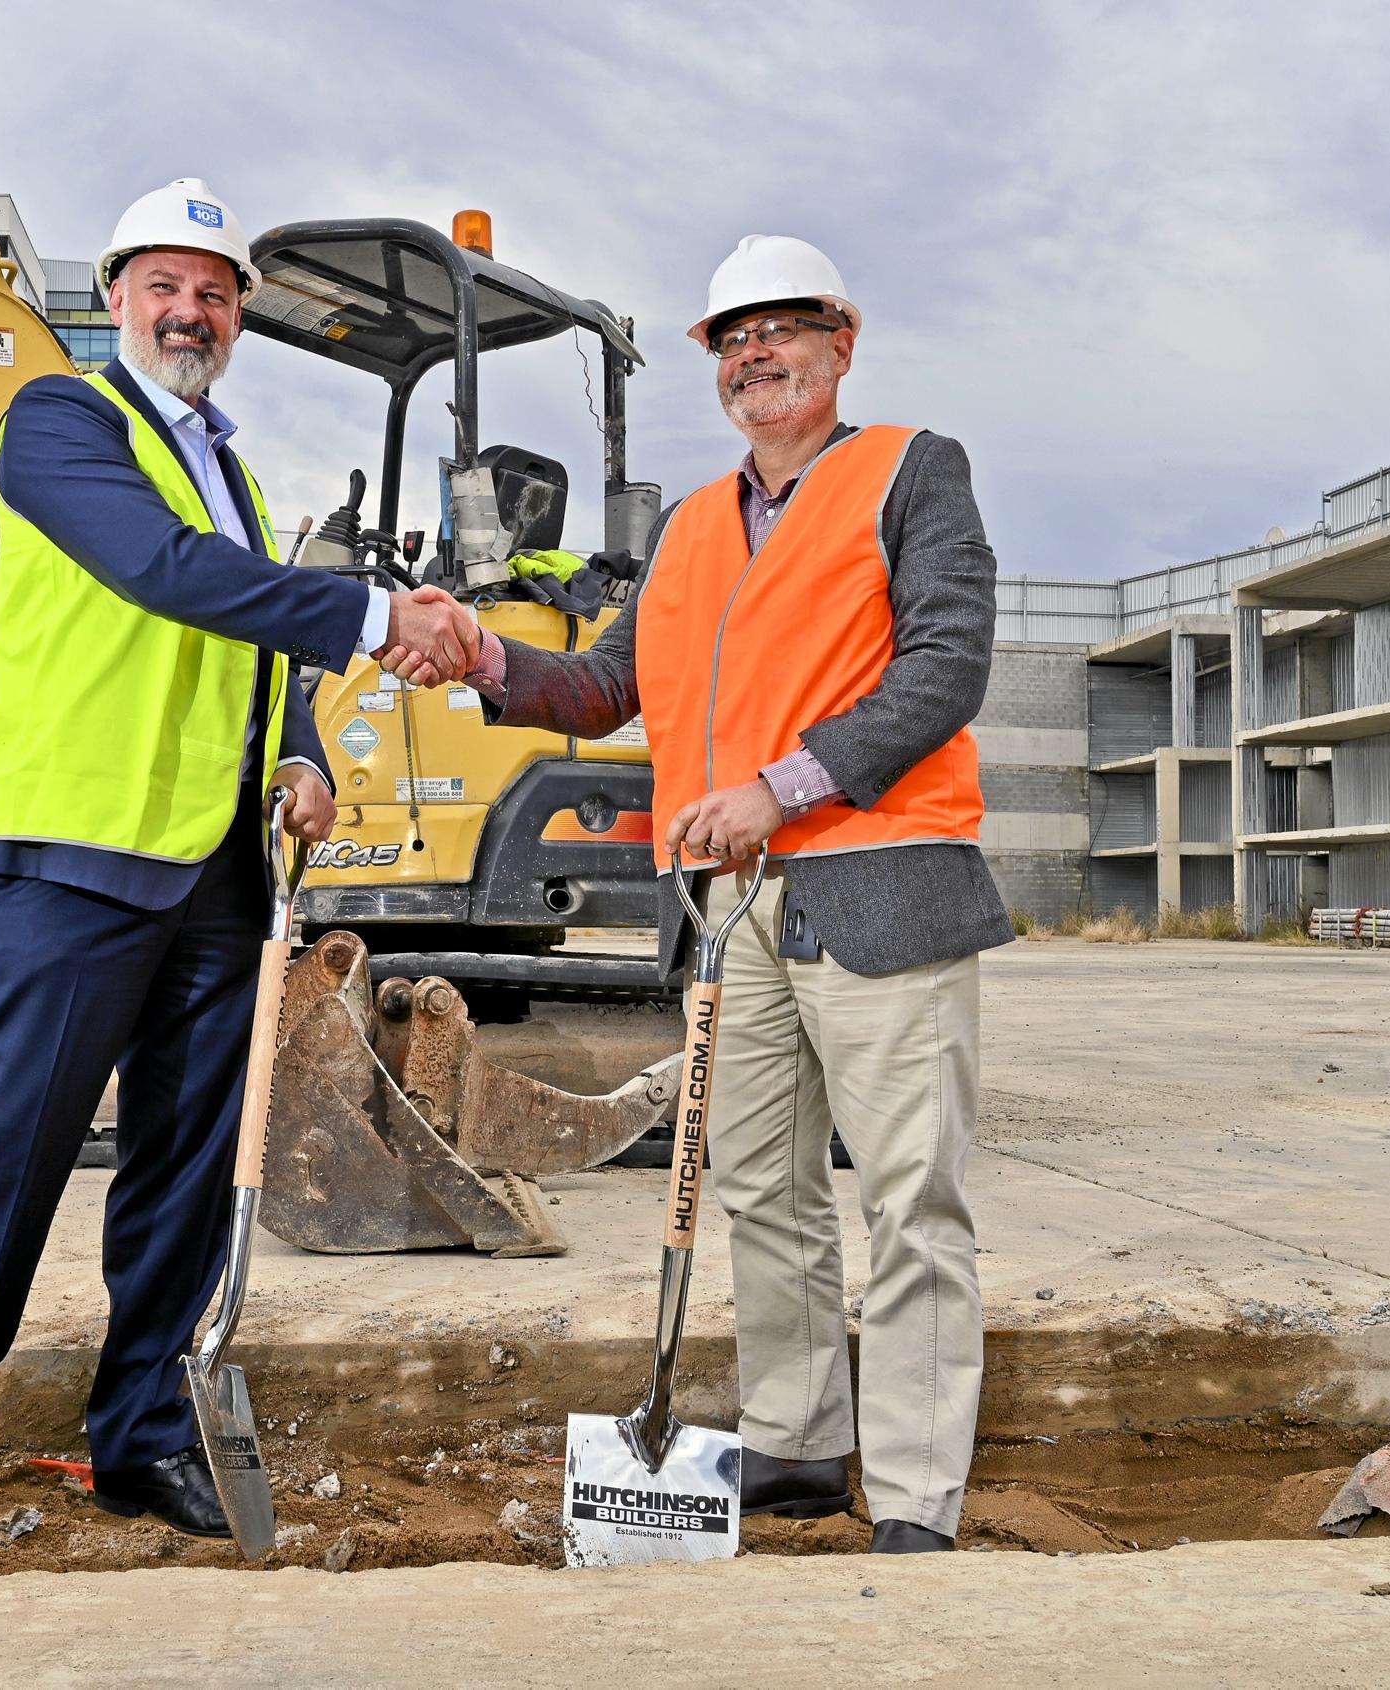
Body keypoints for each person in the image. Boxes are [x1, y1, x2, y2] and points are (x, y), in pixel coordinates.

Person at [384, 234, 1008, 1553]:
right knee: (759, 1185)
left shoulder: (908, 472)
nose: (753, 354)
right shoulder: (691, 529)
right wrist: (483, 649)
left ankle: (910, 1494)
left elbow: (945, 665)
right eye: (731, 337)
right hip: (730, 909)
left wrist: (782, 786)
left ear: (840, 342)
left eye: (781, 328)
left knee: (907, 1196)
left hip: (877, 882)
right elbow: (605, 686)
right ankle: (793, 1437)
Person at [0, 179, 480, 1545]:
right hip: (77, 851)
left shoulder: (237, 469)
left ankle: (143, 1431)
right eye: (166, 284)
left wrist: (305, 750)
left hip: (216, 869)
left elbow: (255, 644)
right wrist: (374, 613)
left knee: (188, 1166)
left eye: (214, 291)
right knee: (10, 1151)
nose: (191, 309)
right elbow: (160, 572)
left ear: (237, 317)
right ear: (117, 296)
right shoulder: (62, 422)